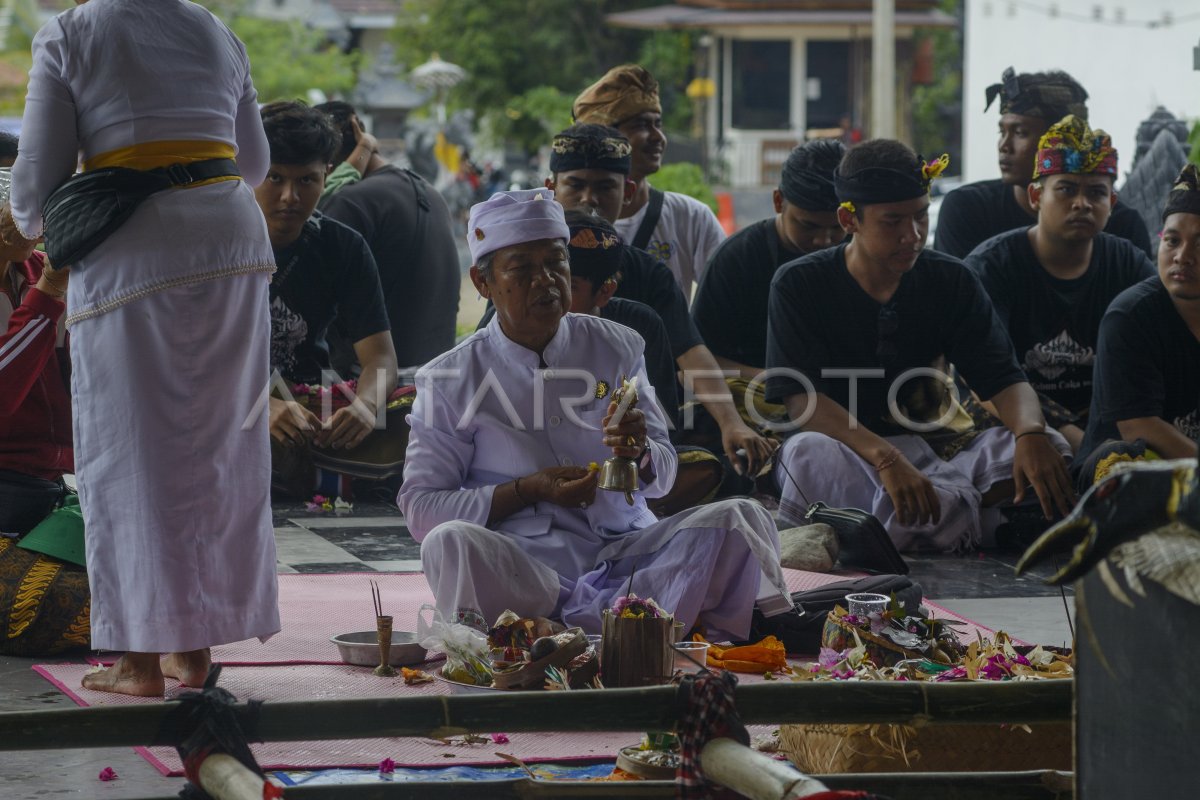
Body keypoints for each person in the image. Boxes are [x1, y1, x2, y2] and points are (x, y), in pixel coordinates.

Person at [1, 0, 278, 695]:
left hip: (135, 249)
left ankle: (138, 661)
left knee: (131, 451)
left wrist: (40, 226)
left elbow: (34, 185)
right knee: (218, 447)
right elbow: (254, 162)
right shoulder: (213, 27)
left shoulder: (72, 31)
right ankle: (194, 648)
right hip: (231, 239)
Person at [399, 188, 796, 644]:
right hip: (527, 568)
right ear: (483, 282)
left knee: (741, 518)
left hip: (627, 555)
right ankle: (629, 626)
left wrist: (641, 451)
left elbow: (663, 479)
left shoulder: (617, 345)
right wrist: (527, 491)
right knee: (448, 543)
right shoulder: (449, 377)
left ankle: (571, 633)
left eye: (556, 262)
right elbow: (422, 509)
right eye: (523, 269)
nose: (546, 280)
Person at [766, 140, 1075, 552]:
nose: (912, 235)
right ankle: (972, 524)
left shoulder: (952, 279)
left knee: (1051, 446)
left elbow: (1001, 378)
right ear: (849, 219)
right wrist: (887, 459)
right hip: (850, 453)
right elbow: (803, 402)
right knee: (803, 455)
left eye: (921, 216)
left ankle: (887, 531)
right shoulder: (798, 283)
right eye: (892, 221)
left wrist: (1029, 433)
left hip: (939, 452)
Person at [544, 123, 777, 477]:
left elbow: (691, 352)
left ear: (628, 192)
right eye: (575, 185)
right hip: (540, 425)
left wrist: (731, 423)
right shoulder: (524, 268)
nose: (589, 198)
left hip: (635, 437)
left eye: (605, 186)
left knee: (715, 462)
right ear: (551, 188)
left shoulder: (650, 274)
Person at [964, 116, 1154, 454]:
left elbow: (1158, 353)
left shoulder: (1128, 263)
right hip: (1012, 425)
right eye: (1066, 189)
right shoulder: (991, 267)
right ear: (1036, 195)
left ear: (1111, 203)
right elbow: (982, 377)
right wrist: (1077, 441)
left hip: (1110, 423)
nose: (1082, 203)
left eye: (1096, 192)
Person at [255, 101, 399, 490]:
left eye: (306, 180)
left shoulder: (343, 247)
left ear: (328, 175)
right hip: (226, 405)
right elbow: (185, 363)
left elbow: (381, 358)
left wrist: (366, 407)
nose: (289, 196)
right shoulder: (214, 247)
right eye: (274, 178)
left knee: (421, 399)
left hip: (313, 409)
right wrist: (259, 406)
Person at [564, 207, 723, 516]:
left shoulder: (635, 331)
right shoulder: (510, 322)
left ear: (606, 290)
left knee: (708, 472)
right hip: (534, 494)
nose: (548, 293)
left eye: (569, 286)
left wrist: (638, 446)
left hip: (616, 485)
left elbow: (661, 430)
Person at [934, 67, 1150, 259]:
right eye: (1002, 132)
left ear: (1061, 139)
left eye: (1020, 132)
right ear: (1035, 197)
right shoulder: (967, 210)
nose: (1004, 146)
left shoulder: (1122, 226)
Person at [316, 101, 460, 371]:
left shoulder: (348, 202)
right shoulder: (430, 191)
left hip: (374, 385)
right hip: (438, 373)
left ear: (324, 164)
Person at [1078, 164, 1200, 483]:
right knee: (1125, 460)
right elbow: (1139, 426)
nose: (1182, 256)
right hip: (1128, 469)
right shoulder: (1131, 316)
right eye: (1172, 241)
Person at [693, 139, 846, 381]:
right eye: (808, 226)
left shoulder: (861, 254)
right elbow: (696, 360)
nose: (823, 240)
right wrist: (776, 382)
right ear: (778, 201)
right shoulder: (736, 260)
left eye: (838, 227)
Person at [573, 64, 725, 299]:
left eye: (658, 124)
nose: (658, 137)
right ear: (605, 136)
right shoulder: (556, 226)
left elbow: (726, 300)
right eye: (641, 125)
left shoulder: (690, 217)